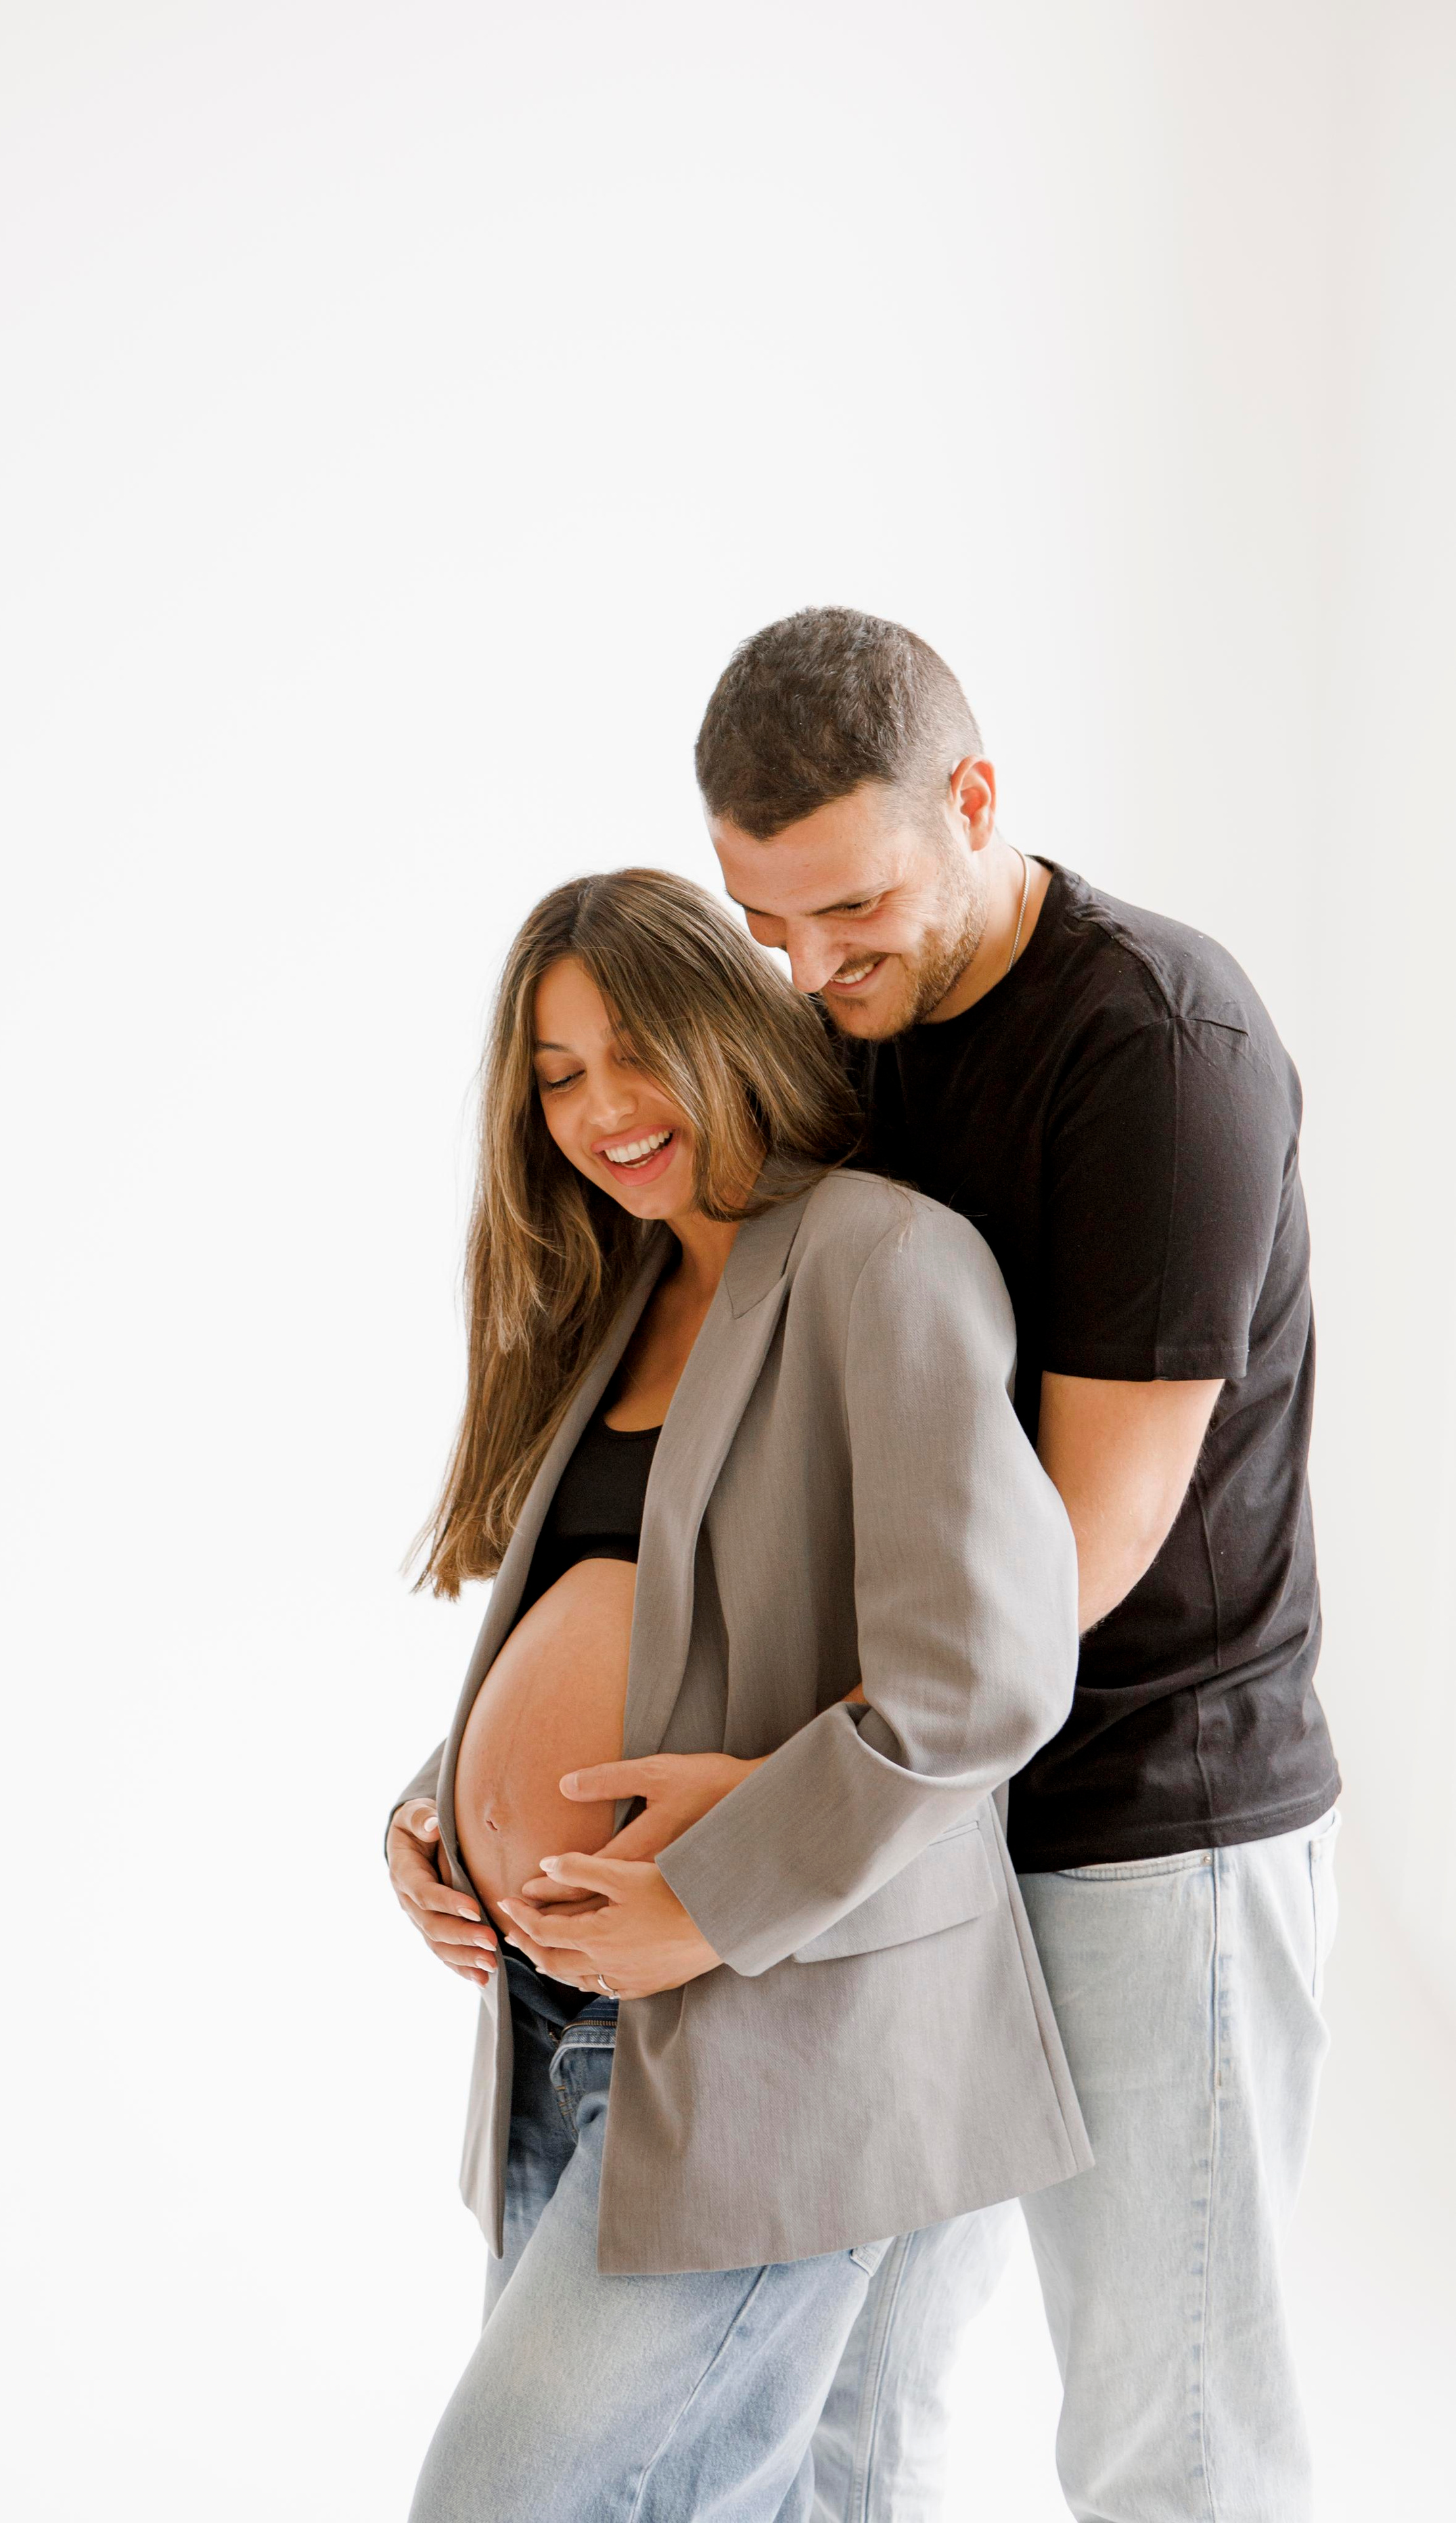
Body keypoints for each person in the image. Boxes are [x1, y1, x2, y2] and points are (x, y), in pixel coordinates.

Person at [692, 608, 1342, 2523]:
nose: (811, 970)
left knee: (1176, 2437)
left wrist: (800, 1806)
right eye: (765, 924)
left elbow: (1086, 1545)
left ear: (975, 799)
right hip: (932, 1815)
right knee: (842, 2395)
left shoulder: (1157, 1046)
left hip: (1157, 1818)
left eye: (854, 911)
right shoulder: (842, 1026)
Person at [386, 868, 1089, 2523]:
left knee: (495, 2499)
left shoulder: (880, 1259)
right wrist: (435, 1816)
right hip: (559, 2024)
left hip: (777, 2036)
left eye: (632, 1050)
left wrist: (706, 1903)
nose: (602, 1110)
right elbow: (606, 1618)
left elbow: (983, 1673)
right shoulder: (616, 1292)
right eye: (555, 1076)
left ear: (725, 1018)